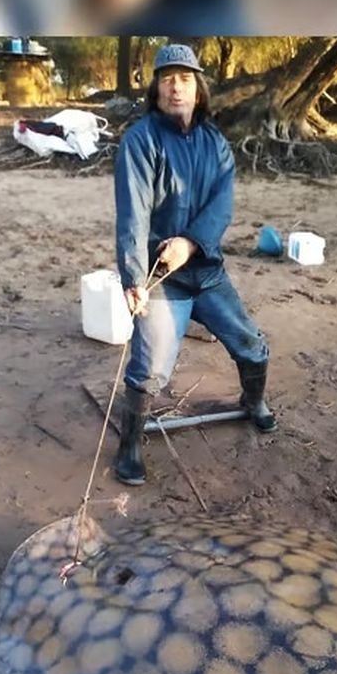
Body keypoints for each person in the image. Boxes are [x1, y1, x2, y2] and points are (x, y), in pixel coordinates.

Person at [111, 43, 276, 487]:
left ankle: (253, 402)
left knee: (251, 342)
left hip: (206, 270)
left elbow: (222, 205)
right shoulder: (140, 141)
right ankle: (128, 445)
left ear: (199, 88)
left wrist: (190, 243)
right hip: (161, 279)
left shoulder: (215, 142)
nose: (175, 86)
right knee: (150, 369)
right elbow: (133, 213)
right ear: (156, 89)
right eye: (167, 78)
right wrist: (133, 277)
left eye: (184, 78)